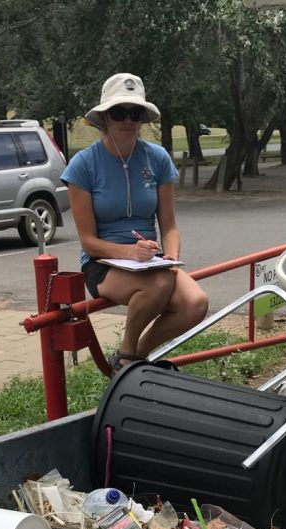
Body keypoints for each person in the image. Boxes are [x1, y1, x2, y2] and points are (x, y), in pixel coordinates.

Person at [61, 73, 209, 373]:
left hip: (151, 262)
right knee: (160, 283)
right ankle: (127, 356)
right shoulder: (83, 165)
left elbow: (168, 225)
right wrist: (131, 253)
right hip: (102, 263)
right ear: (105, 116)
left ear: (143, 117)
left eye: (135, 112)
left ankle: (133, 358)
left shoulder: (157, 158)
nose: (127, 120)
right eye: (119, 112)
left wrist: (170, 255)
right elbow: (88, 242)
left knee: (196, 304)